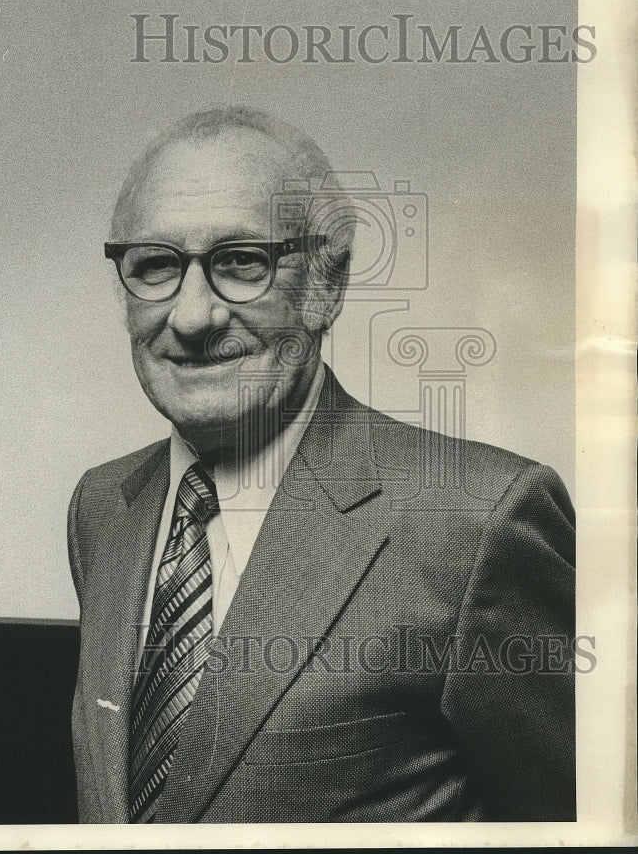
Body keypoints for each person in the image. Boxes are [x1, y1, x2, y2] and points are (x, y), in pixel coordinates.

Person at [67, 105, 576, 824]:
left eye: (240, 262)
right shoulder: (103, 507)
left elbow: (576, 825)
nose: (190, 316)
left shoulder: (478, 522)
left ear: (325, 284)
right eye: (156, 266)